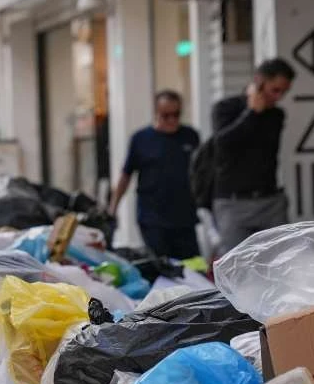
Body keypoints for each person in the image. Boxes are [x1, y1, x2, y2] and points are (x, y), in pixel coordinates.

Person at [205, 58, 295, 253]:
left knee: (282, 259)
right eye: (275, 90)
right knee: (235, 263)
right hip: (232, 201)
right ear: (259, 81)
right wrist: (252, 112)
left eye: (283, 92)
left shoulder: (275, 116)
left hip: (269, 200)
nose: (278, 97)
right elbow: (223, 144)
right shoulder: (225, 108)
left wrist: (259, 113)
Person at [109, 90, 201, 259]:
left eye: (176, 114)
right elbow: (126, 175)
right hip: (153, 218)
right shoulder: (141, 139)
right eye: (166, 115)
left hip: (185, 216)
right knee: (162, 266)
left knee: (194, 266)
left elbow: (202, 172)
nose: (172, 120)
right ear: (156, 113)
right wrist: (113, 209)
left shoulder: (190, 136)